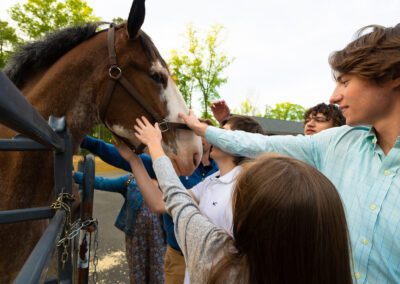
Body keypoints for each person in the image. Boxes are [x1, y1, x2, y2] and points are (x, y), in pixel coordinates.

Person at [179, 23, 400, 283]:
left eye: (345, 82)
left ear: (390, 76)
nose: (333, 96)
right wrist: (203, 129)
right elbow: (262, 145)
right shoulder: (335, 143)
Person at [126, 116, 352, 284]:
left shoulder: (254, 186)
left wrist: (155, 146)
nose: (211, 135)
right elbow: (160, 203)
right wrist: (133, 160)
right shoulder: (213, 180)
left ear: (239, 142)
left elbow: (179, 204)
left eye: (222, 131)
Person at [80, 127, 218, 284]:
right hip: (177, 256)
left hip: (208, 258)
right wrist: (83, 139)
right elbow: (121, 159)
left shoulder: (220, 174)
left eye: (203, 133)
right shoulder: (172, 166)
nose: (200, 138)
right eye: (196, 133)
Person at [73, 171, 165, 283]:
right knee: (137, 277)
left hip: (160, 241)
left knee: (160, 276)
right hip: (136, 242)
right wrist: (75, 176)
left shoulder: (167, 181)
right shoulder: (130, 180)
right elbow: (103, 182)